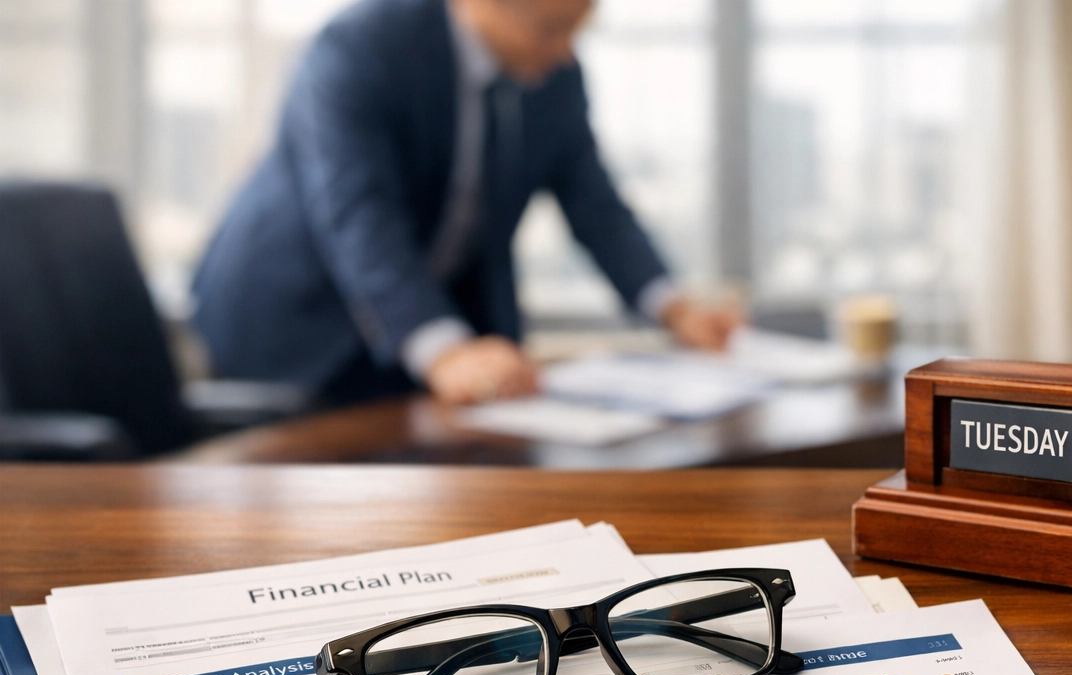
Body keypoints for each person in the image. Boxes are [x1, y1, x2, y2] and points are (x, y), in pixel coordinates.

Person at [192, 0, 738, 406]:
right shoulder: (361, 47)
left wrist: (677, 308)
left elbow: (596, 204)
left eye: (577, 28)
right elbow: (359, 214)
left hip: (428, 328)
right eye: (552, 27)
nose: (565, 49)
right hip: (300, 325)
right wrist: (446, 351)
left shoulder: (553, 75)